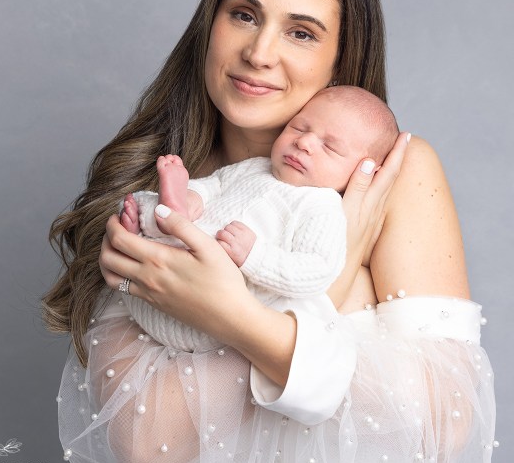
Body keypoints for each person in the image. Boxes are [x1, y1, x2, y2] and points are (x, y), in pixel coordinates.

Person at [44, 0, 496, 463]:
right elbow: (146, 447)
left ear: (341, 57)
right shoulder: (154, 193)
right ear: (211, 26)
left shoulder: (389, 175)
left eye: (302, 33)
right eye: (244, 15)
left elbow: (448, 422)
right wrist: (336, 283)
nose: (259, 53)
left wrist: (232, 317)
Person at [120, 85, 399, 353]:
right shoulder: (258, 167)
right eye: (298, 127)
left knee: (185, 233)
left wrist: (254, 256)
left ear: (363, 170)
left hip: (208, 315)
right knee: (151, 201)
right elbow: (216, 183)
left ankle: (162, 221)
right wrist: (194, 197)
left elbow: (316, 270)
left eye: (330, 147)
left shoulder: (323, 208)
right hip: (150, 286)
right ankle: (162, 216)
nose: (304, 142)